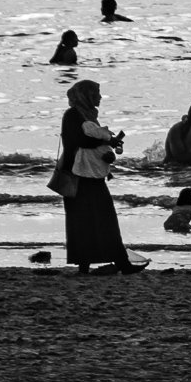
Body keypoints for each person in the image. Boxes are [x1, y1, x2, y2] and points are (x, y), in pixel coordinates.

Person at [57, 80, 143, 274]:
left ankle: (110, 263)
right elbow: (79, 141)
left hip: (89, 174)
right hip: (78, 175)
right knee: (90, 220)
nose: (100, 97)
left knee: (96, 219)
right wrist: (108, 141)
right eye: (96, 93)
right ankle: (106, 264)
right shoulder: (72, 115)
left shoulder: (87, 116)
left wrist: (108, 146)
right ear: (86, 95)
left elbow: (90, 141)